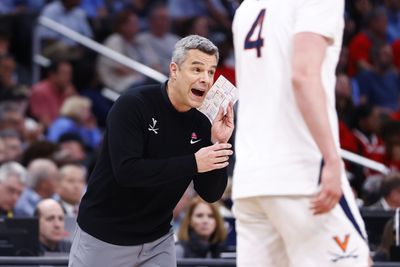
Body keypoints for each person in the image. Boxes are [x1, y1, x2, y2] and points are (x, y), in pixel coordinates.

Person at [68, 35, 234, 267]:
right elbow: (127, 171)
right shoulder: (133, 104)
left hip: (158, 240)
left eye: (210, 72)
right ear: (174, 70)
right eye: (197, 69)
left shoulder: (204, 122)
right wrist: (193, 163)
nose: (205, 79)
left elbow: (210, 193)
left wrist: (219, 144)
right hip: (104, 236)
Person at [232, 1, 370, 267]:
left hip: (250, 180)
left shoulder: (247, 8)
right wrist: (332, 159)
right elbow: (303, 76)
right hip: (301, 174)